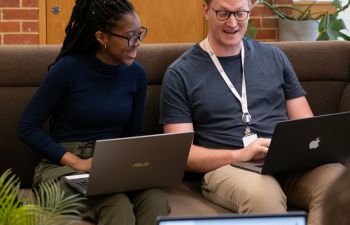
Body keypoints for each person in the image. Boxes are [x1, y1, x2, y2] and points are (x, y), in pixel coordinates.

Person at [159, 0, 345, 225]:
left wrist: (294, 149)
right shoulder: (180, 73)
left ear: (250, 11)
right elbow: (183, 153)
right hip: (227, 166)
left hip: (285, 161)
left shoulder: (274, 57)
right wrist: (239, 154)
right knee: (263, 197)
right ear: (206, 10)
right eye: (222, 13)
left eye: (240, 13)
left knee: (340, 182)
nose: (232, 23)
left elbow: (307, 127)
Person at [17, 0, 170, 224]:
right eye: (130, 36)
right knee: (115, 202)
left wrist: (143, 167)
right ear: (102, 37)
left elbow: (134, 133)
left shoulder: (136, 74)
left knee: (154, 199)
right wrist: (77, 162)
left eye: (140, 34)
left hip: (113, 163)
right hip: (63, 166)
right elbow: (27, 127)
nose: (137, 43)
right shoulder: (67, 69)